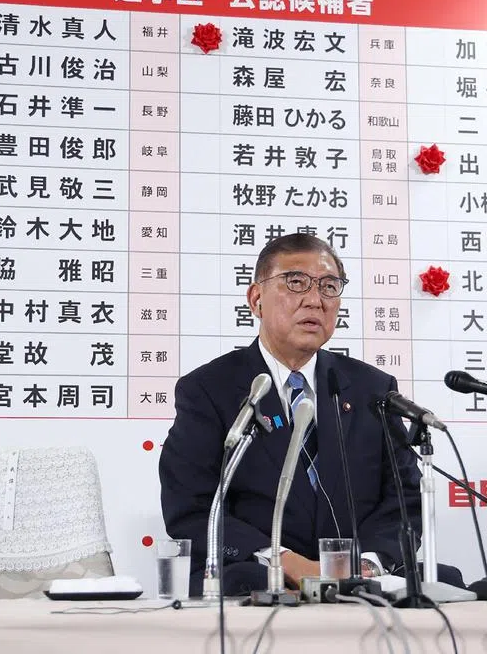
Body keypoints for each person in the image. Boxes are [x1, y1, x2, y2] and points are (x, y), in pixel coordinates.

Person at [158, 233, 464, 596]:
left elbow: (405, 498)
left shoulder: (372, 389)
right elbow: (191, 508)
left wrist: (365, 563)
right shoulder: (210, 389)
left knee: (446, 581)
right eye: (295, 282)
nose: (315, 300)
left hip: (358, 584)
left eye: (329, 287)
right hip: (256, 581)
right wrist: (285, 563)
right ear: (256, 299)